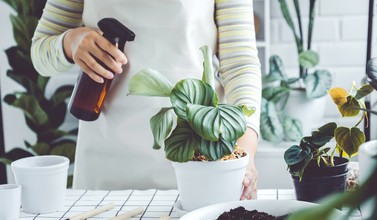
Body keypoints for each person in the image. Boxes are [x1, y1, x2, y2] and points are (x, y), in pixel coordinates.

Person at [31, 0, 262, 199]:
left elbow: (240, 66)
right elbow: (40, 53)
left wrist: (245, 149)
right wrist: (71, 42)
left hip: (198, 157)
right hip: (105, 160)